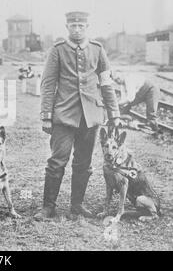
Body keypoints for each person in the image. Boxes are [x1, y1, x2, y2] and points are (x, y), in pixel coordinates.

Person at [35, 11, 120, 221]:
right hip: (64, 116)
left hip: (90, 116)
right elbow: (48, 84)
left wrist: (114, 113)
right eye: (73, 25)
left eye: (81, 25)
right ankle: (48, 207)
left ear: (87, 26)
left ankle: (77, 205)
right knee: (57, 161)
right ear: (67, 27)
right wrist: (46, 115)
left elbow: (106, 83)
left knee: (84, 163)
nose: (77, 29)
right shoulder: (58, 50)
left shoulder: (98, 50)